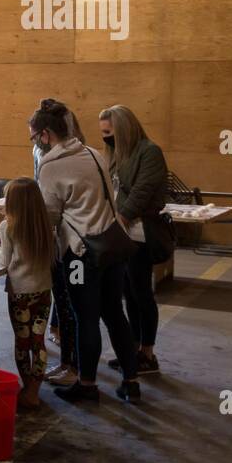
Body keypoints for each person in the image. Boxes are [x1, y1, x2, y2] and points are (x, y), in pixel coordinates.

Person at [32, 100, 141, 403]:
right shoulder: (94, 154)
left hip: (81, 253)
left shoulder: (51, 165)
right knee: (115, 314)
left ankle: (88, 384)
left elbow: (51, 217)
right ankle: (132, 382)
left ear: (45, 134)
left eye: (34, 137)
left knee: (85, 318)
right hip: (112, 246)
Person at [99, 104, 169, 376]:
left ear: (124, 129)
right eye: (103, 133)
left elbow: (142, 192)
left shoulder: (149, 152)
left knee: (142, 294)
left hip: (139, 234)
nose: (106, 138)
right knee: (128, 293)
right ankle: (135, 349)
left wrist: (121, 219)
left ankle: (148, 354)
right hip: (122, 234)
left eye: (109, 132)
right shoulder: (115, 153)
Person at [0, 178, 54, 409]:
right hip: (44, 290)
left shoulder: (8, 226)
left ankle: (27, 389)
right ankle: (35, 389)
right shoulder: (45, 223)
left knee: (22, 342)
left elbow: (5, 261)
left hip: (20, 293)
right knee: (38, 341)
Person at [35, 98, 82, 385]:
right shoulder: (82, 153)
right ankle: (72, 365)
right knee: (69, 306)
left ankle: (75, 369)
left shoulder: (58, 160)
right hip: (69, 241)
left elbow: (52, 210)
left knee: (74, 308)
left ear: (46, 133)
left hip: (73, 244)